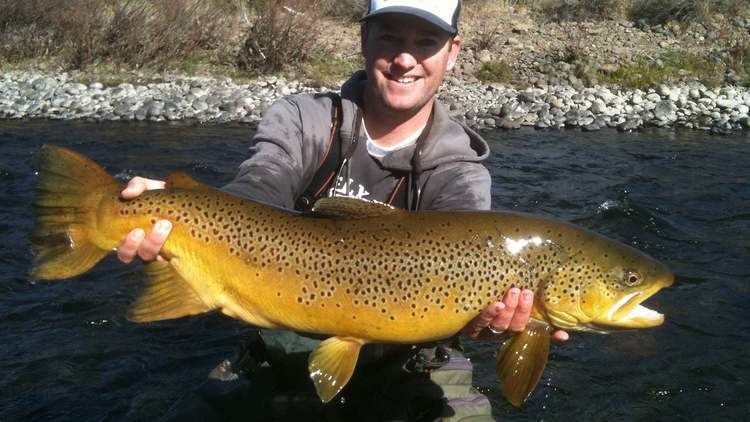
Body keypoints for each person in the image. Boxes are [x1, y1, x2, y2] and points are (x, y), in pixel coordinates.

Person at [117, 1, 568, 419]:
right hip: (280, 345)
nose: (406, 60)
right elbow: (259, 187)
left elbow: (467, 288)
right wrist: (183, 212)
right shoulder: (303, 120)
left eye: (425, 43)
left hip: (413, 362)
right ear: (364, 41)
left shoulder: (461, 171)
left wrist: (488, 327)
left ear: (452, 53)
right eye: (390, 37)